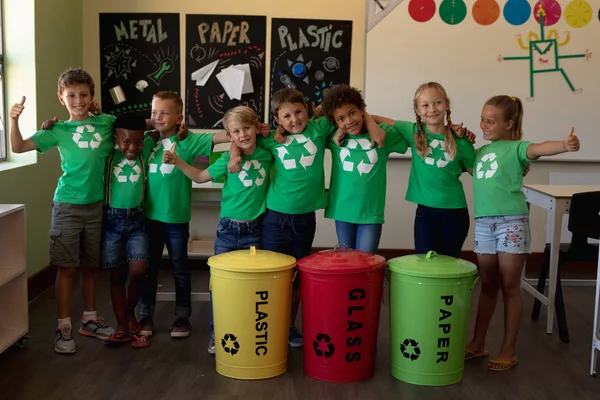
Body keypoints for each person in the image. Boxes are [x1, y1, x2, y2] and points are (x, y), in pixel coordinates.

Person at [228, 88, 386, 347]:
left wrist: (368, 121)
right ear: (277, 120)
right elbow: (240, 138)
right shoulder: (271, 139)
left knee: (297, 277)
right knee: (273, 276)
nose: (294, 119)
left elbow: (349, 111)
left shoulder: (320, 127)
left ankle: (289, 326)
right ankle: (269, 326)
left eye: (298, 112)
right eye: (286, 116)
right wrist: (234, 154)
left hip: (304, 220)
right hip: (274, 218)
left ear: (308, 109)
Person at [465, 95, 579, 371]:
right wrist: (460, 135)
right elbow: (461, 157)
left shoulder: (517, 148)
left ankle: (508, 350)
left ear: (509, 124)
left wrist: (564, 145)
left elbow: (539, 149)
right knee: (488, 284)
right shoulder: (480, 152)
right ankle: (477, 342)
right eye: (482, 119)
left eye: (491, 121)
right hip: (484, 224)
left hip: (511, 223)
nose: (484, 125)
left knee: (509, 286)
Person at [9, 68, 116, 353]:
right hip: (67, 206)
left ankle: (90, 319)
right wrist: (14, 119)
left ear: (92, 97)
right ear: (61, 98)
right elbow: (18, 147)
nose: (78, 100)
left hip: (96, 206)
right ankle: (64, 325)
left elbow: (134, 126)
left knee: (91, 266)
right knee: (68, 267)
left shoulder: (106, 124)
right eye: (72, 95)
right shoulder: (56, 130)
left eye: (84, 95)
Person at [162, 105, 273, 354]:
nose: (242, 135)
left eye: (247, 128)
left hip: (255, 230)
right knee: (221, 285)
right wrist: (178, 160)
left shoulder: (268, 153)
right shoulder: (227, 159)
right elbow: (200, 177)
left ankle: (246, 328)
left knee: (249, 285)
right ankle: (217, 332)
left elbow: (277, 137)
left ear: (256, 127)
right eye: (236, 132)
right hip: (227, 230)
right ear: (229, 136)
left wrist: (268, 131)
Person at [138, 91, 229, 339]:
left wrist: (251, 128)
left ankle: (182, 316)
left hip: (176, 219)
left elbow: (226, 135)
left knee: (180, 268)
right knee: (149, 268)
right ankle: (145, 314)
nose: (157, 117)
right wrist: (150, 123)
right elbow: (122, 126)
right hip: (149, 218)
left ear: (178, 117)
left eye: (164, 113)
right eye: (154, 112)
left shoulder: (190, 142)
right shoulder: (146, 141)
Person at [371, 82, 476, 258]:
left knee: (450, 264)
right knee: (425, 264)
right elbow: (373, 117)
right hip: (425, 214)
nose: (432, 109)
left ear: (447, 104)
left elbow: (478, 173)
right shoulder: (412, 131)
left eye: (437, 103)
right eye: (425, 105)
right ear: (418, 111)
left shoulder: (461, 140)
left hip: (456, 213)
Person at [320, 84, 409, 253]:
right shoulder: (333, 137)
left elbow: (412, 132)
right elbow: (307, 128)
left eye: (352, 113)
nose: (349, 121)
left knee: (366, 261)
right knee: (346, 262)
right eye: (341, 119)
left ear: (362, 110)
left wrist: (372, 122)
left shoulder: (382, 134)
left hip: (370, 212)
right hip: (342, 210)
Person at [102, 114, 163, 349]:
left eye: (138, 142)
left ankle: (130, 314)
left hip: (138, 219)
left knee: (138, 270)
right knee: (116, 276)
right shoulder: (107, 153)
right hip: (112, 222)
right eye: (126, 142)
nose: (132, 147)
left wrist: (152, 126)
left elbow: (159, 129)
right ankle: (121, 325)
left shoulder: (146, 147)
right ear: (116, 139)